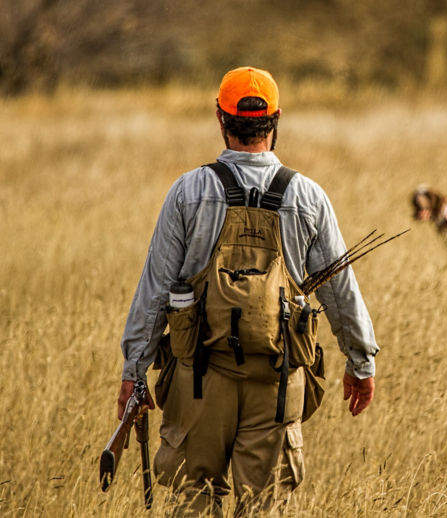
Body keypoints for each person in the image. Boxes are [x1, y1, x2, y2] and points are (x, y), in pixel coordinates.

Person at [116, 66, 379, 516]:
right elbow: (340, 290)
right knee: (264, 505)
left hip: (198, 379)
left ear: (221, 118)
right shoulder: (307, 196)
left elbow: (155, 290)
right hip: (276, 381)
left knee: (194, 499)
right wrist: (361, 360)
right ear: (276, 120)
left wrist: (134, 373)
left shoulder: (188, 192)